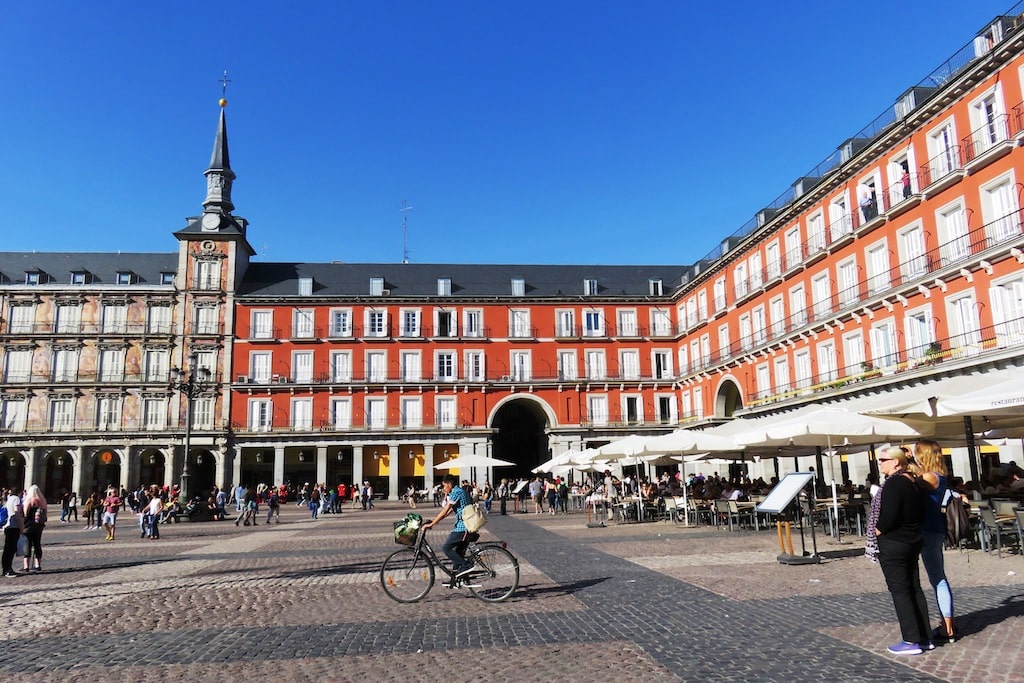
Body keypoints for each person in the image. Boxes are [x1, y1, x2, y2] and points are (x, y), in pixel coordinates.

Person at [875, 446, 931, 655]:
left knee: (900, 590)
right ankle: (924, 636)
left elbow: (888, 517)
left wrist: (877, 530)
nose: (879, 463)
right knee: (914, 588)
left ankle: (910, 640)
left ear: (896, 462)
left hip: (895, 542)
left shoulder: (894, 483)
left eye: (883, 459)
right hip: (912, 540)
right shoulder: (912, 481)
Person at [912, 439, 957, 643]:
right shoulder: (941, 476)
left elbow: (911, 484)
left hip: (927, 530)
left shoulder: (930, 477)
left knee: (937, 579)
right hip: (935, 529)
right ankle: (948, 623)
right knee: (938, 576)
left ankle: (947, 627)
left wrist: (908, 465)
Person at [422, 474, 479, 581]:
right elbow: (449, 511)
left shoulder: (456, 492)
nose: (443, 489)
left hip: (463, 528)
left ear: (449, 484)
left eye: (444, 486)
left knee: (446, 548)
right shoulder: (461, 491)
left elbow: (445, 510)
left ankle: (465, 566)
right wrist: (434, 520)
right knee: (458, 553)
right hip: (468, 527)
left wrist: (431, 524)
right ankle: (457, 579)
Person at [21, 484, 47, 572]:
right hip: (39, 526)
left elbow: (25, 515)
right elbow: (45, 515)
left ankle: (26, 566)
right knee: (37, 544)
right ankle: (37, 565)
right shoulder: (43, 501)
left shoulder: (29, 500)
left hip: (28, 526)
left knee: (27, 545)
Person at [2, 492, 24, 577]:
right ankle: (8, 569)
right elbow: (17, 513)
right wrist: (21, 526)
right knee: (11, 550)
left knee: (7, 550)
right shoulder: (16, 499)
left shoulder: (10, 498)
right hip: (13, 527)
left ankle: (6, 569)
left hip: (7, 527)